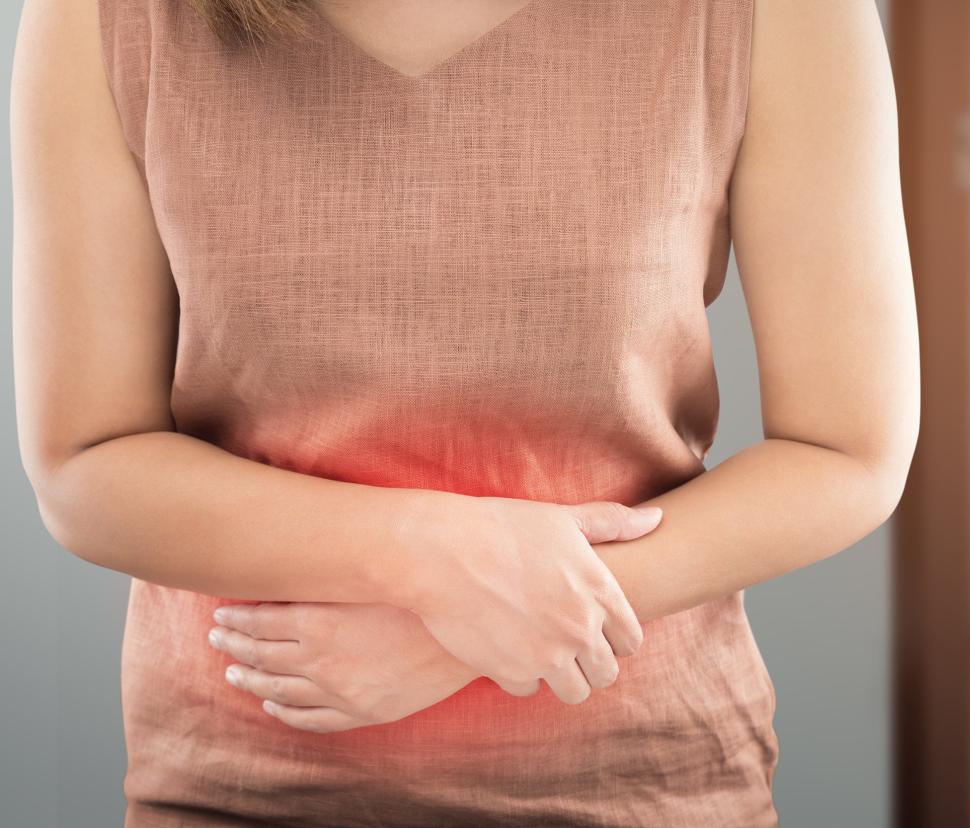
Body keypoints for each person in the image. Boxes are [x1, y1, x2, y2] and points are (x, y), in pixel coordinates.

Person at [10, 0, 919, 824]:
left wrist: (483, 628)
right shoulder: (103, 18)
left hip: (645, 788)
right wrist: (434, 560)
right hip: (240, 788)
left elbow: (844, 449)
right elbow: (86, 462)